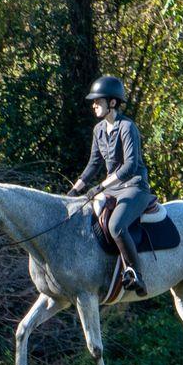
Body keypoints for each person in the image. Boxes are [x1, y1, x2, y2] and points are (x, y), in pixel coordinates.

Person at [70, 75, 151, 293]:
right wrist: (75, 189)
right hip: (113, 187)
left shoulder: (127, 127)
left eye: (98, 101)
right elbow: (93, 164)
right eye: (94, 102)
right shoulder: (98, 130)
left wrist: (102, 186)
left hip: (135, 186)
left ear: (112, 103)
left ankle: (135, 273)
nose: (94, 105)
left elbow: (130, 166)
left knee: (116, 225)